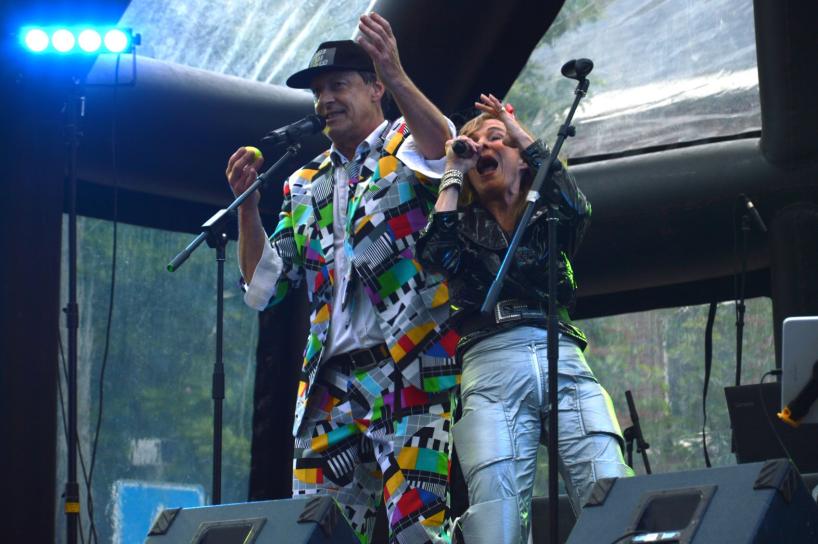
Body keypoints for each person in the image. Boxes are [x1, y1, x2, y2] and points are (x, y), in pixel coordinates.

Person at [225, 13, 459, 544]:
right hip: (329, 387)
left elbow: (446, 152)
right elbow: (265, 288)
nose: (325, 99)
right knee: (315, 534)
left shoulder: (406, 144)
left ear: (375, 89)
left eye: (338, 85)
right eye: (318, 92)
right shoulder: (303, 183)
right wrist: (247, 208)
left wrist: (396, 72)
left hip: (406, 374)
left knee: (419, 534)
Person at [416, 93, 633, 543]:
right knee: (496, 518)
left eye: (496, 139)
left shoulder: (551, 217)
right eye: (475, 143)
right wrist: (454, 168)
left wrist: (516, 129)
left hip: (562, 354)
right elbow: (436, 254)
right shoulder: (463, 224)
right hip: (490, 362)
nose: (483, 147)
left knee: (610, 488)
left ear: (521, 160)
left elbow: (577, 205)